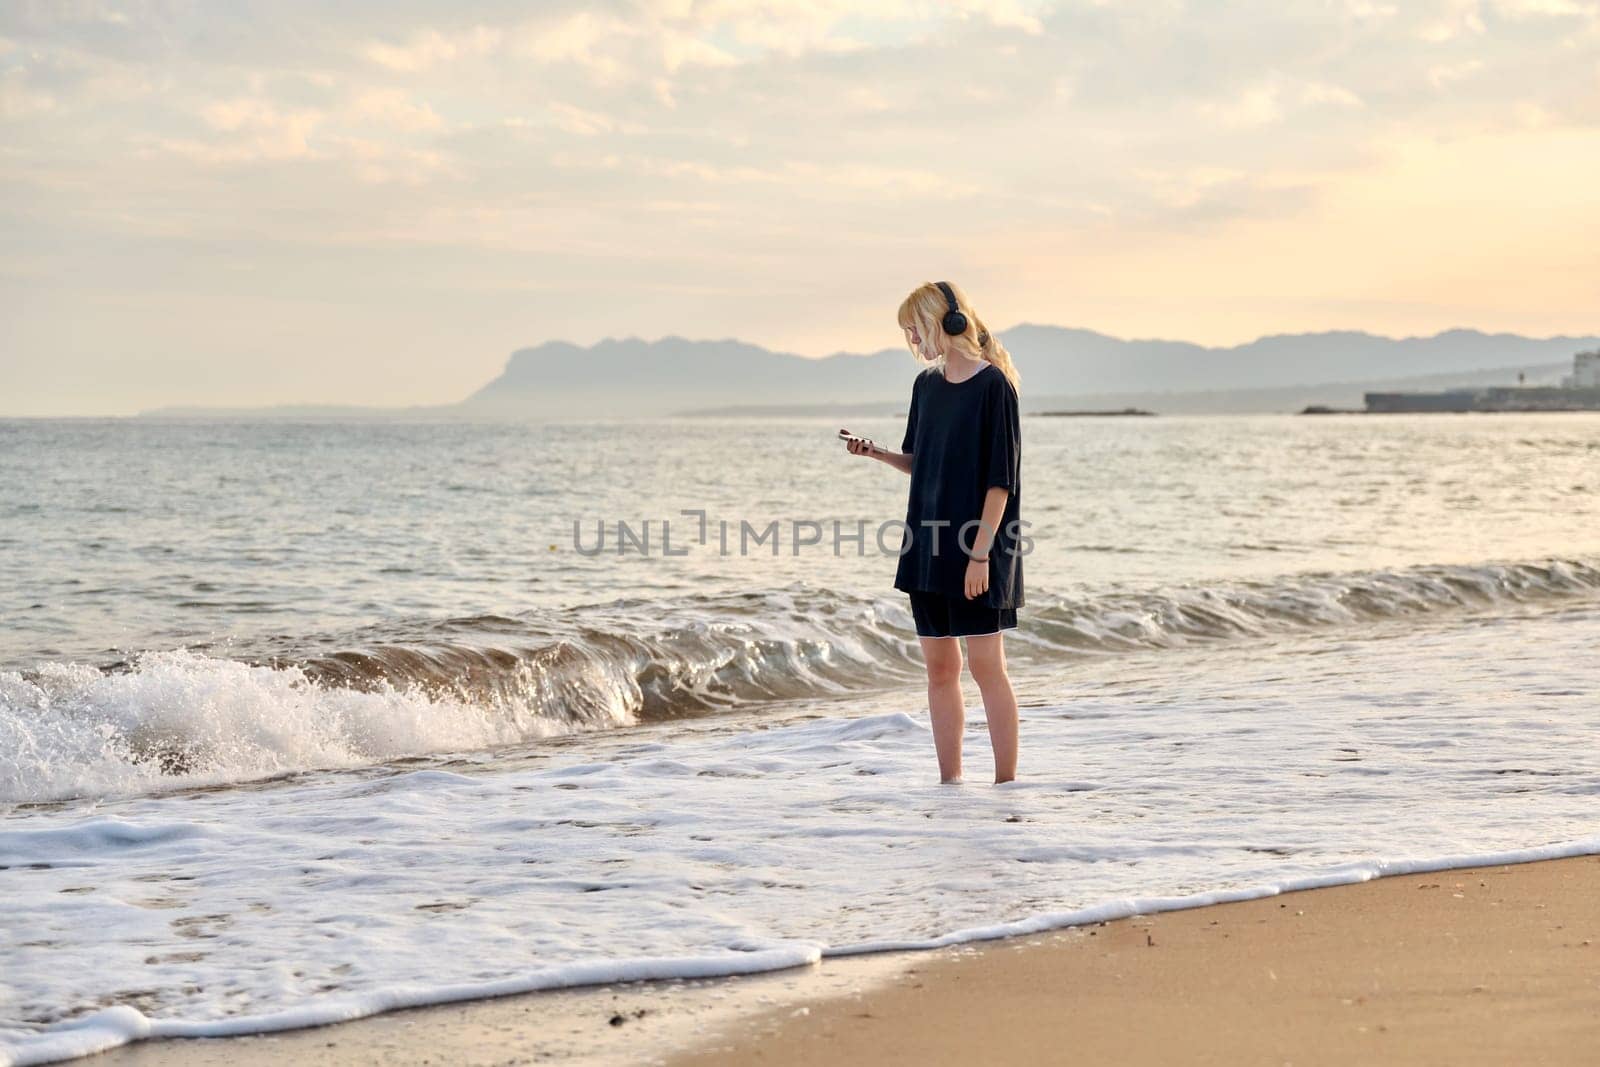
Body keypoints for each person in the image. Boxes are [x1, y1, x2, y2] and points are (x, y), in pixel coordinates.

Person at [843, 280, 1023, 784]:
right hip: (927, 544)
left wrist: (981, 556)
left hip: (979, 545)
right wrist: (876, 452)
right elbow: (921, 461)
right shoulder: (925, 386)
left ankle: (1006, 786)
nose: (912, 343)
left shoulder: (995, 387)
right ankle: (951, 786)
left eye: (914, 330)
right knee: (940, 671)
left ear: (947, 323)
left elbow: (999, 483)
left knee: (987, 668)